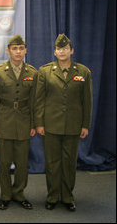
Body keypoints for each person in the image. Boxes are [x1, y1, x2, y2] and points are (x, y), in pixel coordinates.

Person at [35, 33, 92, 212]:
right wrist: (39, 123)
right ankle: (52, 196)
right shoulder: (45, 71)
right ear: (54, 51)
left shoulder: (83, 72)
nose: (62, 51)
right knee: (52, 163)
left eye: (65, 48)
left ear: (71, 50)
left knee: (69, 163)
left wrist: (85, 125)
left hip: (73, 126)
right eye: (59, 49)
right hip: (51, 125)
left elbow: (87, 101)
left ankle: (67, 197)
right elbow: (39, 100)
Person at [0, 35, 37, 210]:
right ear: (8, 51)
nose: (18, 52)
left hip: (24, 122)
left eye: (21, 48)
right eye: (14, 49)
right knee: (4, 162)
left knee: (22, 163)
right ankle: (5, 195)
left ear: (25, 50)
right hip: (4, 120)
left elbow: (35, 101)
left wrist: (34, 124)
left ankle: (19, 193)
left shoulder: (33, 73)